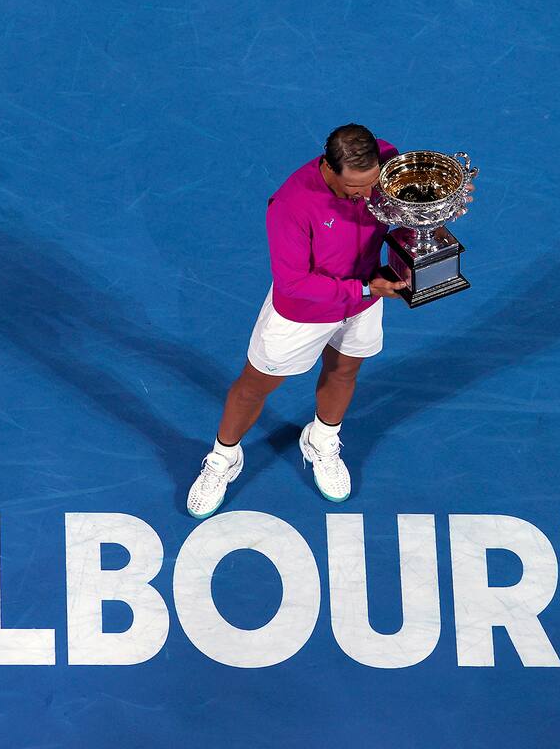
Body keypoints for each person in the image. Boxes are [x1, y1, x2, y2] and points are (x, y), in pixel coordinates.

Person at [187, 124, 471, 518]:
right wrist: (367, 290)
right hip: (304, 312)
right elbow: (295, 282)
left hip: (364, 299)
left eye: (373, 183)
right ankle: (222, 459)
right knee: (253, 388)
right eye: (355, 188)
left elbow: (403, 210)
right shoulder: (291, 204)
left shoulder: (386, 164)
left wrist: (437, 207)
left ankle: (322, 439)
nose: (368, 195)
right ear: (329, 168)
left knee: (344, 371)